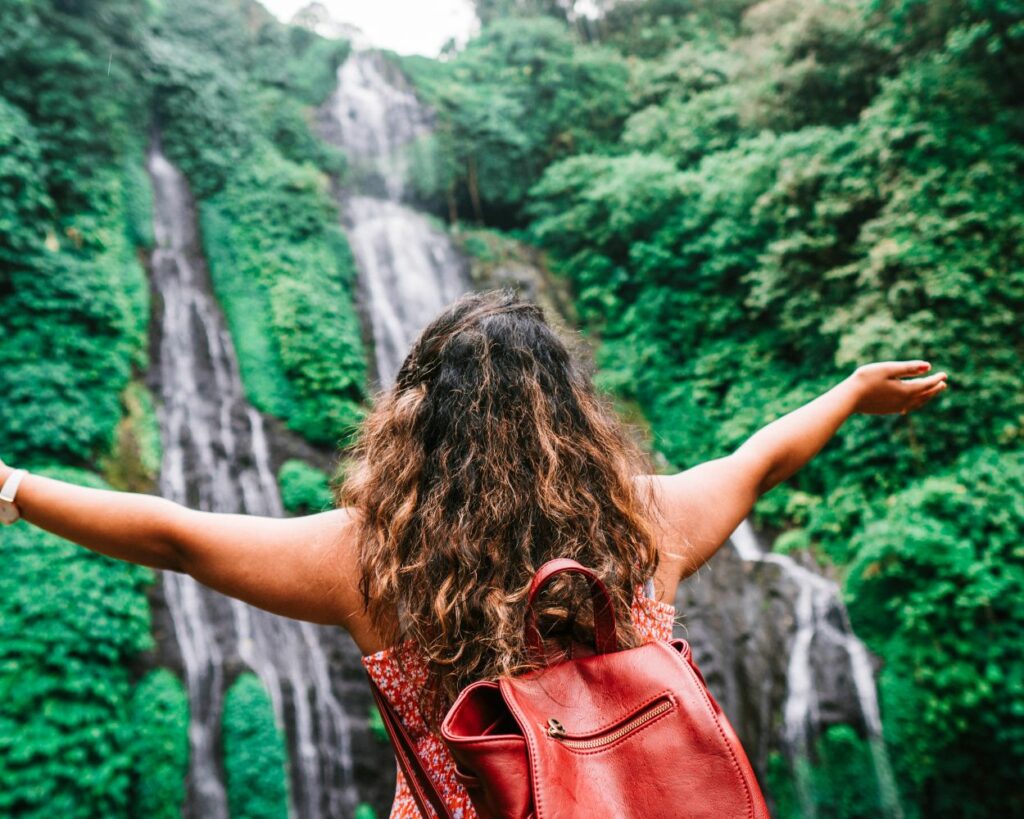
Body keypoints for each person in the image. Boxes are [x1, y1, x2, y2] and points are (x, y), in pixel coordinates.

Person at [0, 289, 947, 817]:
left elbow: (176, 534)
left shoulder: (374, 563)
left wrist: (16, 487)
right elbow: (761, 456)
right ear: (573, 417)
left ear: (416, 417)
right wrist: (852, 392)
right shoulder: (645, 524)